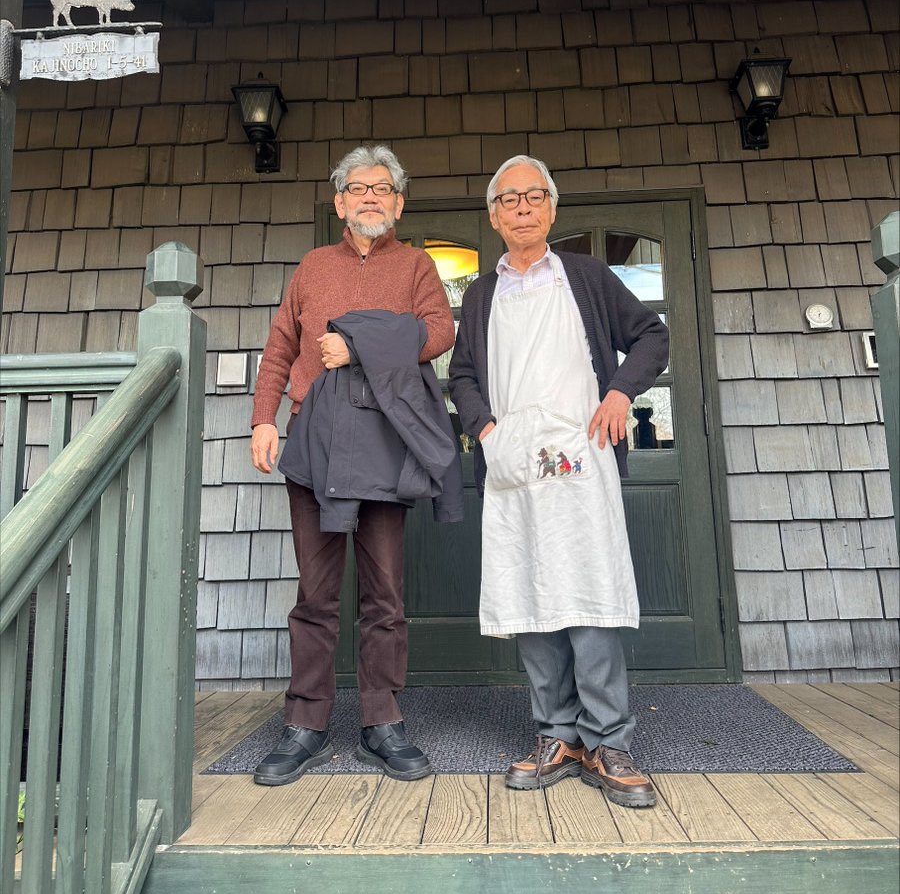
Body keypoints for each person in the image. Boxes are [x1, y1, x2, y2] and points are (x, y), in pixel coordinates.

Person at [448, 155, 669, 808]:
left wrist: (620, 392)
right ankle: (557, 734)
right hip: (514, 462)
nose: (522, 207)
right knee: (531, 592)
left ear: (551, 208)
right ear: (494, 216)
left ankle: (608, 739)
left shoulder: (588, 276)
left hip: (582, 456)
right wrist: (488, 430)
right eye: (509, 199)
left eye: (533, 196)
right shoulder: (481, 295)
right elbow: (463, 374)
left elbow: (651, 336)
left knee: (587, 591)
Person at [250, 144, 457, 784]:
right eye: (358, 188)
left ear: (399, 203)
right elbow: (280, 346)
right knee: (314, 594)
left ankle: (381, 720)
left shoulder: (417, 265)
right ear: (340, 203)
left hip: (385, 441)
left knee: (384, 594)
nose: (371, 197)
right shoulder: (313, 267)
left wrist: (358, 343)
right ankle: (305, 723)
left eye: (382, 188)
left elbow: (439, 332)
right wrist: (263, 418)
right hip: (314, 438)